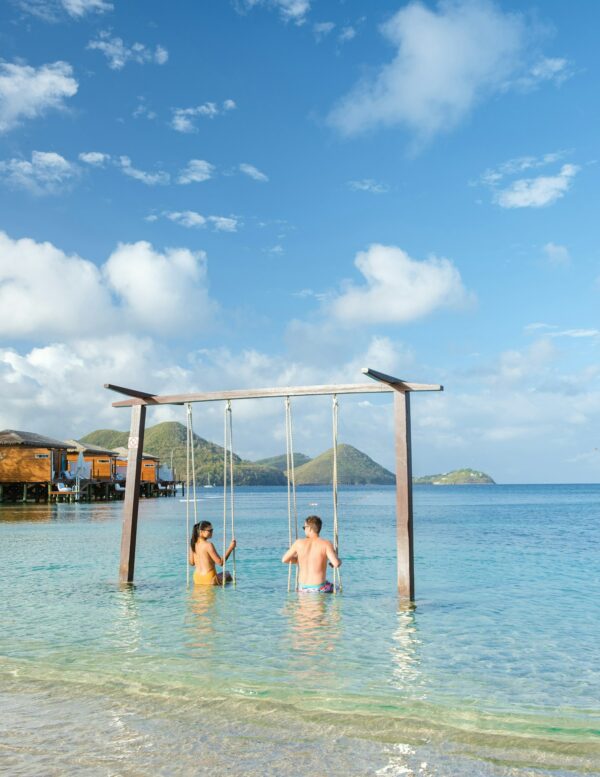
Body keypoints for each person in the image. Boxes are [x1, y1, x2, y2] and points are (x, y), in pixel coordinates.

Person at [282, 515, 341, 593]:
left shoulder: (298, 543)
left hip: (302, 588)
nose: (304, 530)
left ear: (309, 528)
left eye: (304, 527)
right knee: (337, 588)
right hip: (319, 588)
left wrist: (299, 560)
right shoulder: (326, 544)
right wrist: (339, 560)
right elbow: (336, 564)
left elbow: (284, 560)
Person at [189, 521, 236, 586]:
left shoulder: (193, 543)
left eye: (212, 530)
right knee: (228, 575)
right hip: (209, 578)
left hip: (197, 578)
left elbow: (191, 563)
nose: (212, 532)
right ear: (201, 532)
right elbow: (221, 562)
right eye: (210, 530)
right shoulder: (208, 545)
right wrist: (231, 547)